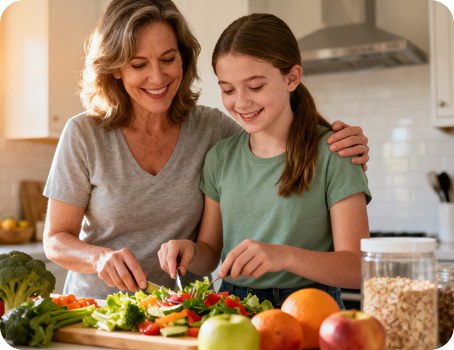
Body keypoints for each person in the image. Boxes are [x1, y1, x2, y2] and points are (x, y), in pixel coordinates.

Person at [43, 0, 370, 300]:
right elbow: (56, 238)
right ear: (116, 68)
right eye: (138, 64)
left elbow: (273, 137)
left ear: (183, 58)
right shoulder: (84, 135)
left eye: (168, 59)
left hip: (185, 311)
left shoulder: (214, 132)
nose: (157, 76)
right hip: (100, 308)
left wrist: (342, 142)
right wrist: (99, 258)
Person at [158, 12, 372, 308]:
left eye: (256, 86)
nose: (241, 102)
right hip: (234, 306)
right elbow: (210, 250)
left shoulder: (334, 153)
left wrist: (282, 256)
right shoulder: (220, 157)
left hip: (309, 305)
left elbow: (358, 268)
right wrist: (190, 251)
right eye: (228, 89)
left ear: (292, 77)